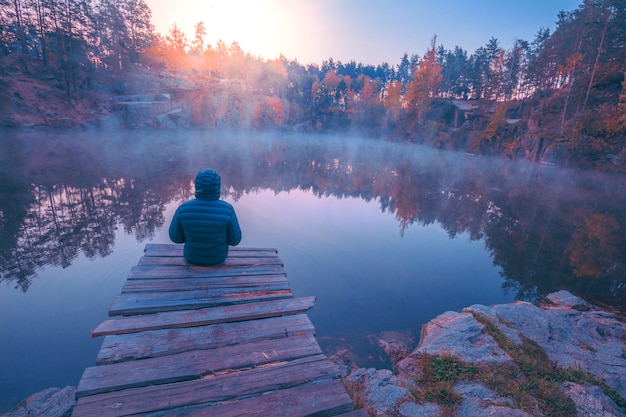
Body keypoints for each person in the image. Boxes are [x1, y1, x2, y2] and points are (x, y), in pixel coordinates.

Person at [169, 168, 242, 265]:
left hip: (192, 259)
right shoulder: (228, 210)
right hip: (217, 260)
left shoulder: (183, 209)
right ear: (217, 186)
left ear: (197, 185)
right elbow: (235, 241)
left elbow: (176, 238)